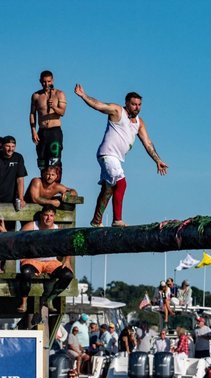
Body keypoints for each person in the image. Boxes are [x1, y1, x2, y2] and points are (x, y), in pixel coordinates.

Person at [74, 84, 168, 227]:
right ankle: (117, 220)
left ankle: (96, 220)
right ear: (126, 103)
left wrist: (157, 160)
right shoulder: (118, 111)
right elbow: (99, 105)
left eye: (139, 104)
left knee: (108, 188)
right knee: (122, 183)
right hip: (108, 154)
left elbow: (147, 143)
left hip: (116, 158)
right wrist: (84, 96)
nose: (137, 107)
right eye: (134, 104)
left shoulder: (139, 123)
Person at [0, 205, 73, 313]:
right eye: (46, 215)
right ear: (41, 215)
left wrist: (67, 261)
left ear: (54, 217)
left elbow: (69, 245)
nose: (48, 218)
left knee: (68, 275)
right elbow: (16, 239)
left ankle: (49, 299)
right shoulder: (32, 226)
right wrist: (5, 231)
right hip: (33, 260)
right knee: (26, 272)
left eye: (51, 216)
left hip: (51, 262)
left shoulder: (58, 230)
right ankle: (24, 301)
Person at [30, 70, 67, 174]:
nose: (46, 84)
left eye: (49, 81)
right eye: (44, 82)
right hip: (41, 131)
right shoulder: (36, 96)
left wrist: (54, 107)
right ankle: (43, 185)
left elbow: (62, 112)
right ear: (40, 81)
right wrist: (33, 130)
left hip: (54, 131)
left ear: (52, 80)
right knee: (41, 160)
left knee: (54, 160)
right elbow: (32, 113)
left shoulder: (59, 94)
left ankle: (55, 185)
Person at [0, 135, 27, 272]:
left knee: (8, 234)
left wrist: (21, 198)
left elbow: (20, 180)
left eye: (13, 146)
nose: (10, 149)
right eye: (7, 146)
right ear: (2, 146)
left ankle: (4, 265)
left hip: (10, 202)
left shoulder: (18, 158)